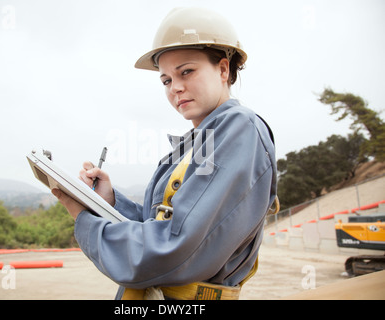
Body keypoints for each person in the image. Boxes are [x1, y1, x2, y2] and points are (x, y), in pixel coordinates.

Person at [52, 7, 278, 300]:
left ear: (223, 69)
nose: (176, 88)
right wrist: (110, 202)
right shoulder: (195, 144)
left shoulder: (240, 130)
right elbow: (158, 223)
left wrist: (85, 220)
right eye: (166, 80)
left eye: (187, 71)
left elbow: (177, 248)